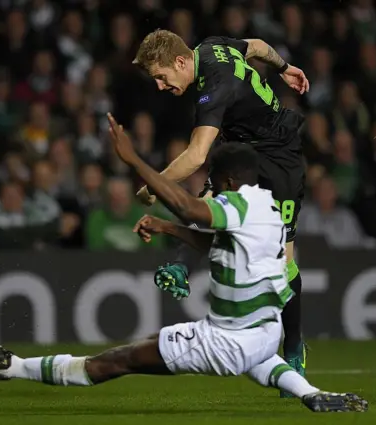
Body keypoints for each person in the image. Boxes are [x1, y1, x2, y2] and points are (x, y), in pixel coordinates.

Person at [0, 114, 368, 414]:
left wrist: (134, 161)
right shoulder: (267, 207)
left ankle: (10, 368)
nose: (210, 188)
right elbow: (215, 241)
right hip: (263, 332)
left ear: (227, 180)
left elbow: (186, 205)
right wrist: (167, 228)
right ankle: (311, 394)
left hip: (224, 341)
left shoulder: (236, 205)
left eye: (213, 180)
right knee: (256, 358)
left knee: (118, 360)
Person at [131, 30, 310, 394]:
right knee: (208, 206)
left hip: (278, 156)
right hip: (241, 151)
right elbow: (258, 46)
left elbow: (196, 155)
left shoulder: (215, 85)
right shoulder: (213, 47)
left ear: (181, 63)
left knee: (283, 262)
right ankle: (181, 266)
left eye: (162, 78)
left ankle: (293, 346)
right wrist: (285, 67)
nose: (161, 87)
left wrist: (153, 185)